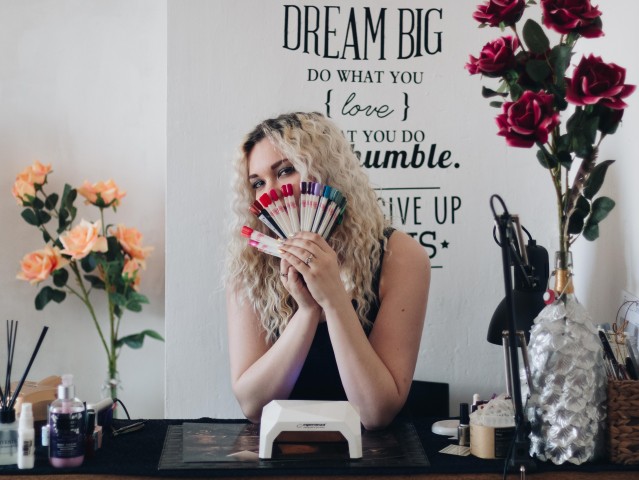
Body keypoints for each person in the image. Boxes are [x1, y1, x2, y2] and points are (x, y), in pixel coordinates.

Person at [226, 112, 430, 430]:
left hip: (372, 451)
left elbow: (376, 413)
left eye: (285, 171)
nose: (270, 193)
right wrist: (307, 311)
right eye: (258, 183)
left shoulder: (400, 256)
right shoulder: (250, 263)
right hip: (280, 446)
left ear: (325, 173)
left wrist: (333, 298)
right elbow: (253, 406)